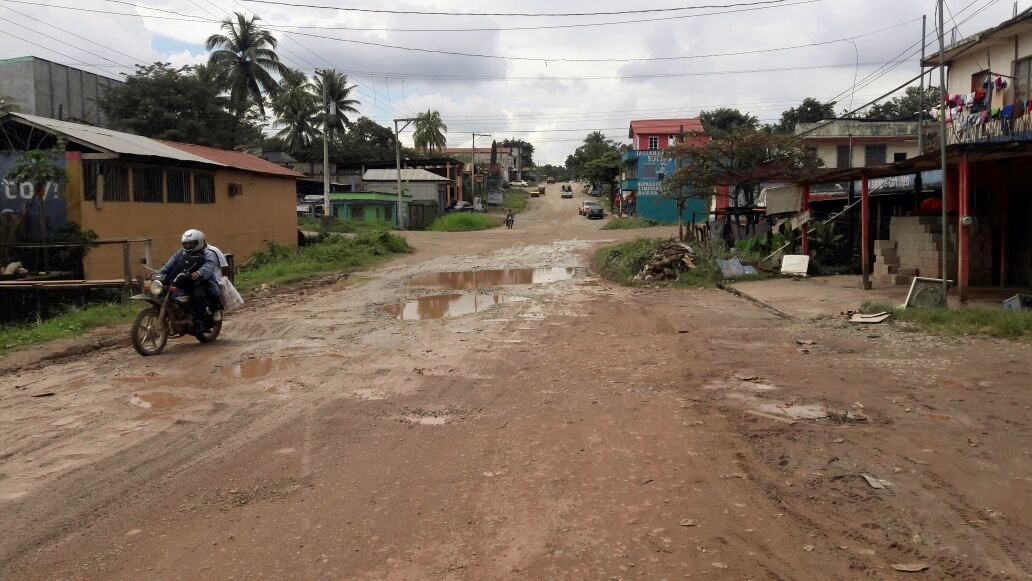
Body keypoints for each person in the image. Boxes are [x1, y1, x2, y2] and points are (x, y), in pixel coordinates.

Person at [158, 229, 220, 335]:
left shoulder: (208, 253)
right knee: (164, 291)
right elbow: (169, 265)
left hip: (201, 282)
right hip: (183, 281)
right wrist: (159, 272)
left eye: (191, 244)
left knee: (198, 295)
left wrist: (199, 273)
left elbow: (209, 266)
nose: (188, 246)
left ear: (199, 242)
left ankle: (199, 321)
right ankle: (175, 315)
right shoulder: (180, 253)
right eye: (185, 244)